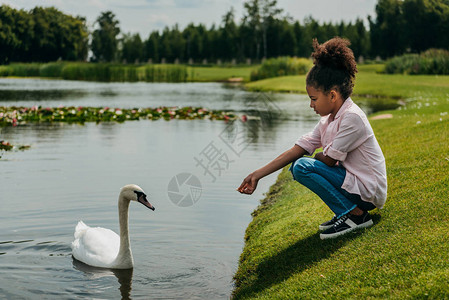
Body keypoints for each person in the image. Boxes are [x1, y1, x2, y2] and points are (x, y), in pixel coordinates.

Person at [237, 37, 387, 240]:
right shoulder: (328, 120)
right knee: (297, 165)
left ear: (332, 96)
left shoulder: (352, 117)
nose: (311, 105)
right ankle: (347, 212)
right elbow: (298, 149)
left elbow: (329, 160)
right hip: (354, 184)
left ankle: (356, 216)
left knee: (302, 167)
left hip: (368, 191)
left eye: (314, 99)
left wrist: (316, 157)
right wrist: (257, 174)